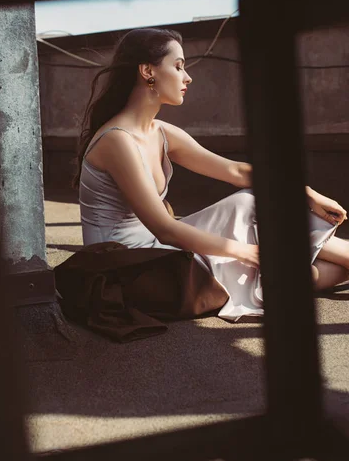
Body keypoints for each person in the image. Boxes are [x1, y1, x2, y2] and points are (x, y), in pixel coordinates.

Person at [73, 27, 349, 321]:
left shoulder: (160, 132)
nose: (187, 77)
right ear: (147, 71)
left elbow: (235, 170)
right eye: (178, 66)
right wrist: (246, 252)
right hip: (127, 271)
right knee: (246, 208)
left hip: (161, 253)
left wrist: (308, 194)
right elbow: (165, 229)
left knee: (296, 267)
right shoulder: (118, 140)